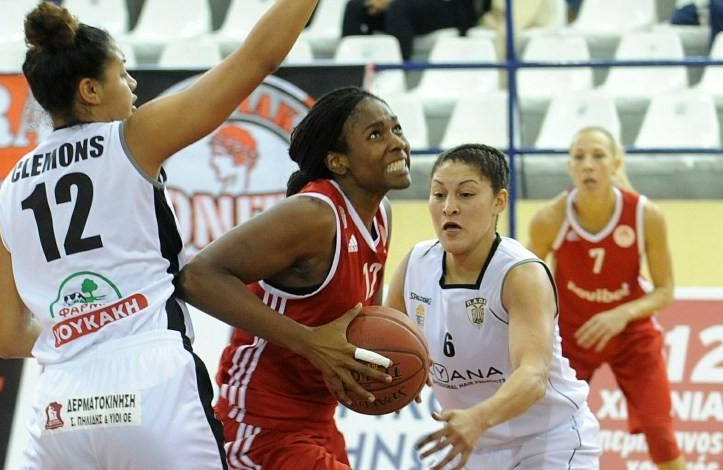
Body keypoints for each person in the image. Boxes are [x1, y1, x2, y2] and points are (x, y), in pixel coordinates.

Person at [0, 2, 390, 469]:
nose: (132, 84)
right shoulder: (131, 138)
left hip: (59, 406)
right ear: (90, 90)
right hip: (150, 381)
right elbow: (255, 60)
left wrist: (82, 326)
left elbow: (9, 338)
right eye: (122, 73)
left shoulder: (8, 190)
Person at [175, 86, 412, 469]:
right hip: (259, 428)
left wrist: (396, 365)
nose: (397, 143)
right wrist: (310, 343)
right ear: (337, 161)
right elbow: (198, 277)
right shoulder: (314, 215)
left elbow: (363, 324)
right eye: (375, 135)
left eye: (396, 129)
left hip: (319, 420)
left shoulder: (381, 213)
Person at [386, 144, 600, 469]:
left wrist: (477, 418)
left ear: (499, 201)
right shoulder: (415, 264)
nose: (449, 208)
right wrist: (395, 373)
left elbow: (533, 375)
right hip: (473, 444)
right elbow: (386, 344)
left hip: (549, 439)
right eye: (439, 194)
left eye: (466, 195)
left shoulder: (521, 274)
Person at [528, 127, 686, 469]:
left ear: (615, 163)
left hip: (631, 335)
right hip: (572, 336)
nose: (588, 164)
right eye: (580, 157)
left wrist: (620, 314)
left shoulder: (646, 215)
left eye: (598, 156)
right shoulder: (549, 218)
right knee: (543, 435)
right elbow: (525, 286)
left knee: (661, 435)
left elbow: (665, 291)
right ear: (570, 167)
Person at [341, 0, 483, 60]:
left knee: (399, 8)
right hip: (407, 7)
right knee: (355, 6)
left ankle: (395, 72)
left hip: (451, 8)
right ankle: (349, 70)